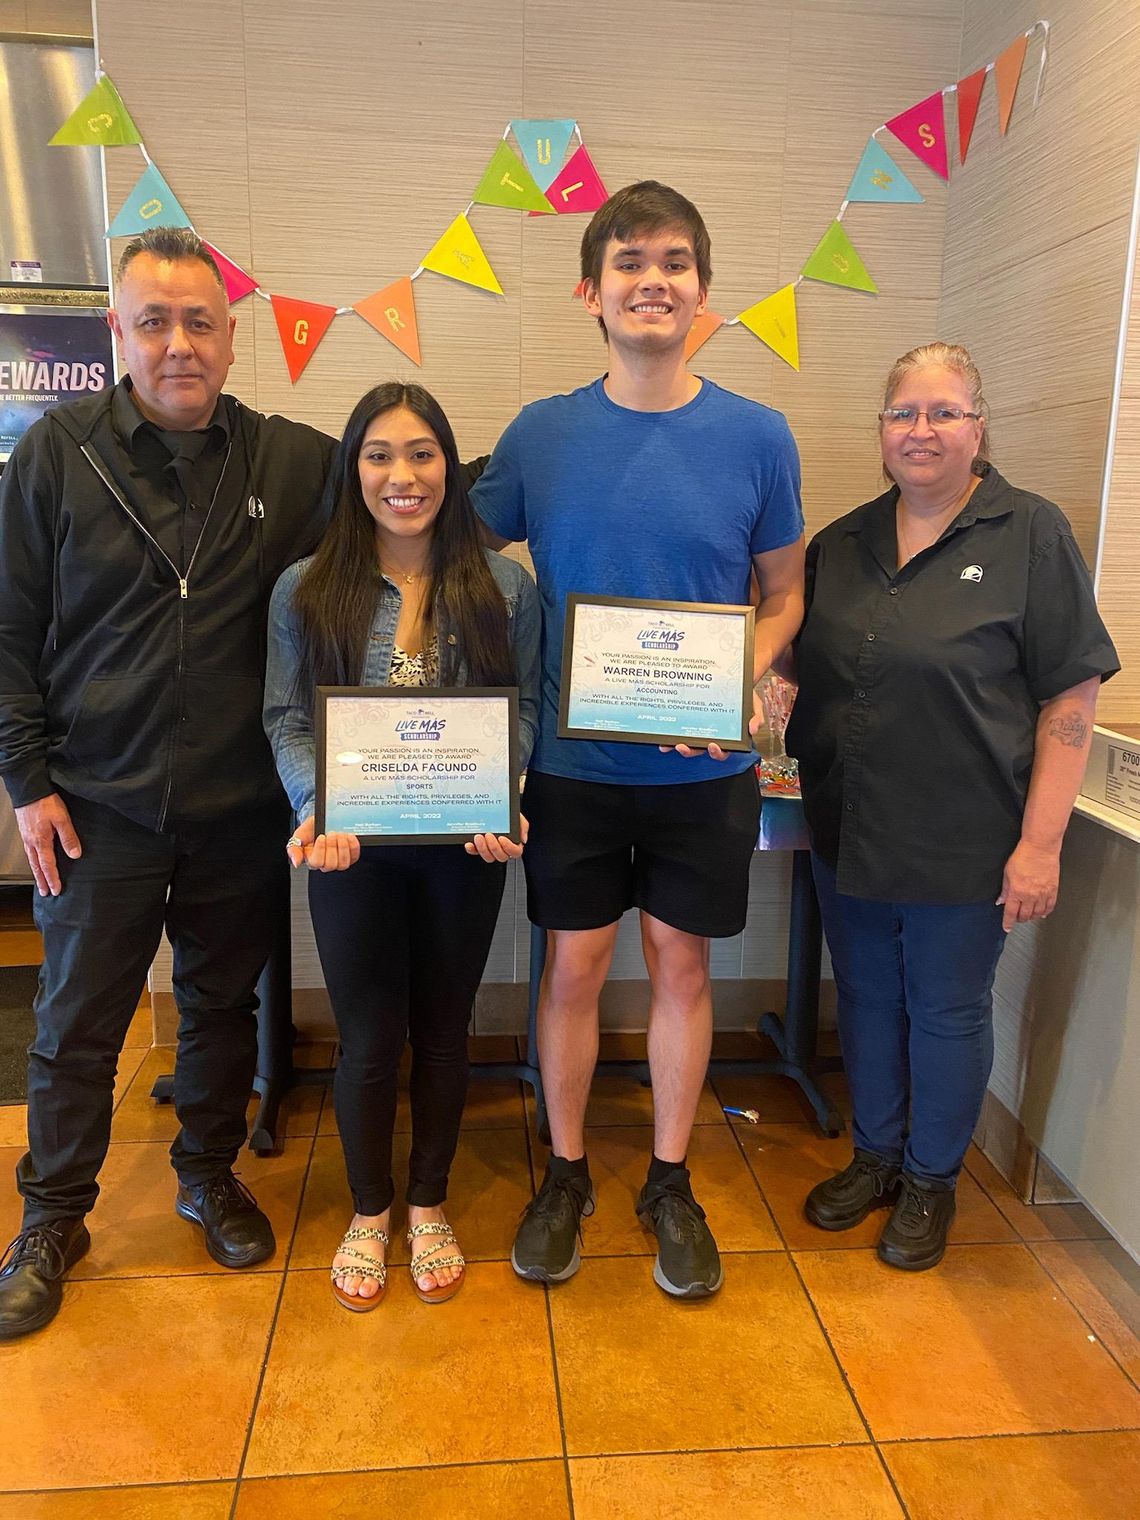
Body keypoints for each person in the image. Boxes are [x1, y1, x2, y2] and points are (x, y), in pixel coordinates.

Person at [0, 227, 335, 1340]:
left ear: (233, 339)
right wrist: (25, 779)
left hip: (239, 805)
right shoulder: (56, 453)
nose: (178, 344)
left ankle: (209, 1172)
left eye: (199, 322)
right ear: (118, 334)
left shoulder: (288, 460)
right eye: (154, 321)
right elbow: (8, 628)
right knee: (77, 1021)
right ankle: (51, 1215)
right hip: (94, 803)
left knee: (218, 1006)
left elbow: (413, 486)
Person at [472, 182, 805, 1299]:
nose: (651, 278)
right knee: (568, 966)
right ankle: (563, 1170)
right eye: (627, 261)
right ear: (591, 291)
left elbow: (786, 594)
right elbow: (448, 557)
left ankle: (669, 1176)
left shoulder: (760, 436)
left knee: (681, 961)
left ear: (704, 290)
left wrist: (734, 682)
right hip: (569, 768)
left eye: (673, 260)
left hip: (704, 771)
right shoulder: (541, 432)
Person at [784, 341, 1119, 1271]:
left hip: (968, 839)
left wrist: (1041, 846)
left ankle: (931, 1179)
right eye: (904, 414)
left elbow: (1071, 699)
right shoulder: (840, 544)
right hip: (847, 827)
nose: (921, 431)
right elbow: (789, 661)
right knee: (864, 998)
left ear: (980, 427)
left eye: (943, 412)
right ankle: (875, 1156)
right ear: (881, 432)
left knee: (945, 1011)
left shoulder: (1030, 534)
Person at [264, 382, 539, 1310]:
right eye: (379, 455)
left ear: (450, 469)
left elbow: (524, 712)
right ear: (355, 471)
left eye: (422, 453)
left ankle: (429, 1203)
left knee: (444, 1032)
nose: (402, 475)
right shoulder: (304, 587)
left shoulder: (505, 587)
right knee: (369, 1038)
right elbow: (287, 718)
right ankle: (370, 1211)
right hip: (352, 850)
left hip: (466, 850)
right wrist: (314, 805)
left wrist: (507, 794)